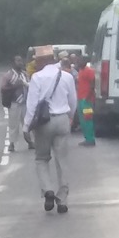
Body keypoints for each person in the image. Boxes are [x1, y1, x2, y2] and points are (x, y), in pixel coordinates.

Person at [23, 45, 78, 213]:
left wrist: (26, 127)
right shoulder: (67, 76)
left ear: (41, 60)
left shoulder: (37, 78)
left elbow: (31, 105)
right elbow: (73, 101)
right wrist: (70, 117)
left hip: (43, 123)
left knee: (41, 158)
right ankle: (62, 200)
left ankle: (48, 190)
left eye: (36, 60)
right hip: (62, 119)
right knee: (62, 161)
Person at [0, 55, 31, 153]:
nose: (20, 63)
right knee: (13, 124)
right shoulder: (8, 75)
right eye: (18, 61)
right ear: (13, 63)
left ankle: (30, 141)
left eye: (21, 61)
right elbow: (3, 88)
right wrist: (14, 86)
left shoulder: (24, 74)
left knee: (27, 123)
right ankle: (12, 143)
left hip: (25, 103)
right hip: (14, 103)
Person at [75, 54, 97, 147]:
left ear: (85, 61)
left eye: (80, 60)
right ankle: (86, 138)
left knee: (88, 119)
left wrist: (88, 97)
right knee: (83, 120)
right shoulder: (80, 70)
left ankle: (91, 139)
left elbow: (93, 84)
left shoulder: (89, 71)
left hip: (87, 100)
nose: (78, 62)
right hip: (80, 98)